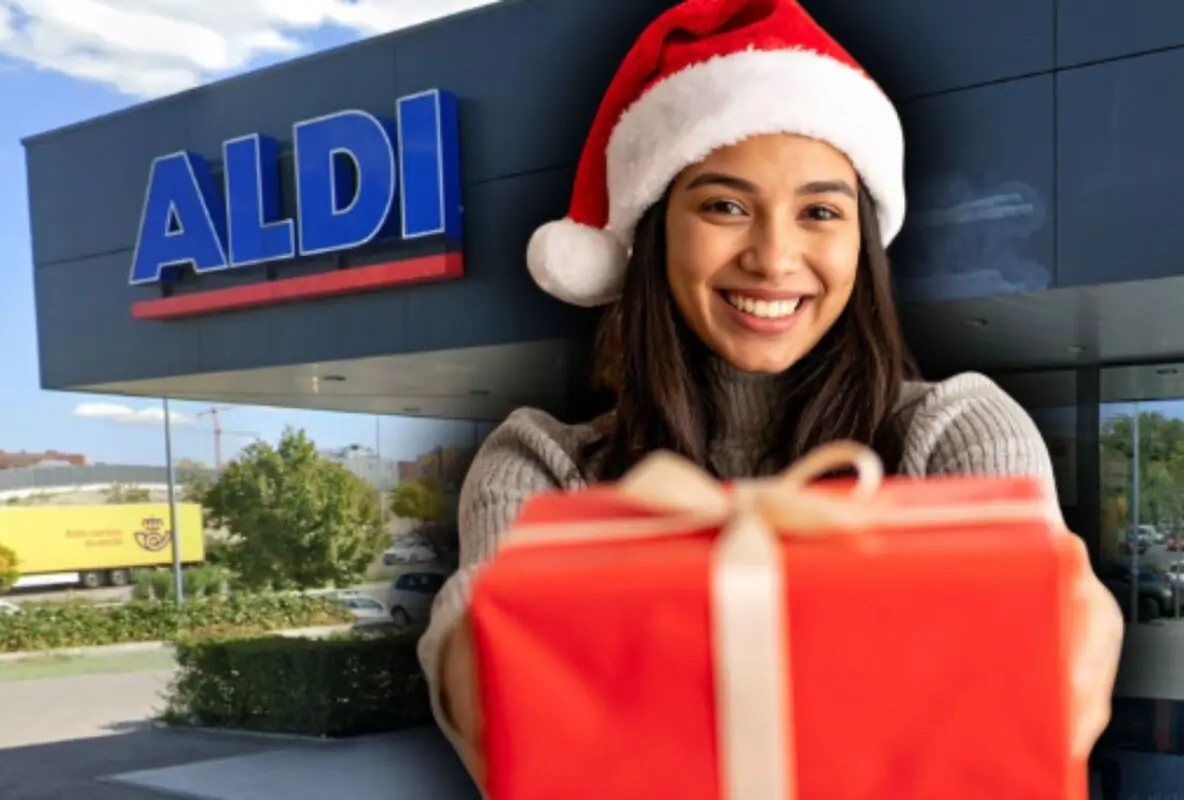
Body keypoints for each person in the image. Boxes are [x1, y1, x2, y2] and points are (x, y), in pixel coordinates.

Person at [417, 0, 1124, 784]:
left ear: (863, 241)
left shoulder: (957, 430)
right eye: (725, 206)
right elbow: (483, 683)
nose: (774, 257)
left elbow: (1044, 651)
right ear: (655, 232)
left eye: (820, 211)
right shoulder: (542, 465)